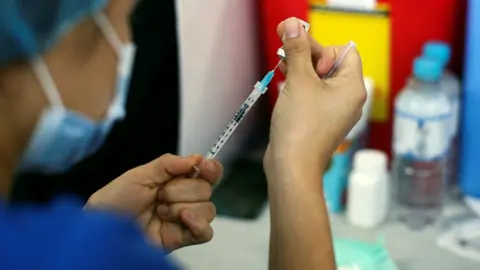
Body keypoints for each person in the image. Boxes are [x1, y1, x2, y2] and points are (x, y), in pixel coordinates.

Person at [0, 1, 366, 270]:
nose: (128, 43)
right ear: (53, 41)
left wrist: (96, 225)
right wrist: (296, 164)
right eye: (125, 20)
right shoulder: (92, 253)